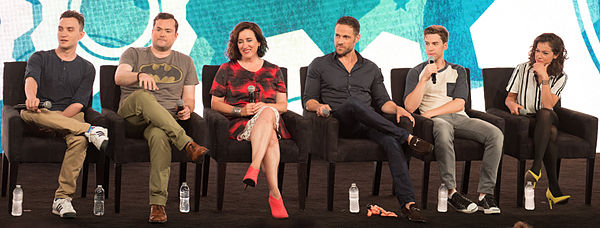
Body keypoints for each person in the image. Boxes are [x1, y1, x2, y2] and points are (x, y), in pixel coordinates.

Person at [303, 16, 433, 223]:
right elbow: (307, 100)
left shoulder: (371, 68)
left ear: (357, 38)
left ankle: (408, 204)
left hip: (368, 123)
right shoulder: (319, 65)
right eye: (337, 35)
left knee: (391, 142)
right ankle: (407, 137)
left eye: (345, 37)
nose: (339, 41)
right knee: (354, 103)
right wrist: (318, 106)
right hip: (337, 123)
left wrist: (398, 108)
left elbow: (383, 102)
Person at [114, 12, 208, 223]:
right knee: (143, 96)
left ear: (175, 36)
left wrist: (188, 110)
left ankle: (157, 205)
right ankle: (187, 144)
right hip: (132, 117)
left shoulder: (185, 61)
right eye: (158, 29)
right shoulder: (134, 53)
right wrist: (140, 75)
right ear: (152, 32)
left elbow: (190, 99)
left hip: (163, 120)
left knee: (159, 136)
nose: (162, 34)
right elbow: (119, 77)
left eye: (167, 31)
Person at [404, 25, 503, 215]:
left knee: (495, 134)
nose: (430, 48)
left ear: (445, 45)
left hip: (458, 118)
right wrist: (423, 79)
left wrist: (429, 113)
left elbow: (459, 104)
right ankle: (451, 192)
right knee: (442, 128)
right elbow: (409, 107)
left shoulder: (457, 71)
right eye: (427, 44)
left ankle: (485, 194)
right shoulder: (416, 72)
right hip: (436, 122)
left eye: (435, 43)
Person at [20, 10, 109, 219]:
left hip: (70, 116)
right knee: (28, 113)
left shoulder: (87, 68)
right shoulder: (39, 57)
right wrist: (31, 97)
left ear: (81, 35)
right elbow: (30, 80)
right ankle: (91, 130)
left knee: (79, 140)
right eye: (60, 28)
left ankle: (62, 200)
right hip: (40, 112)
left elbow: (79, 104)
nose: (63, 33)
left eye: (70, 29)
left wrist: (60, 122)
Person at [210, 21, 290, 219]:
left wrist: (266, 107)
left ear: (258, 43)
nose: (244, 45)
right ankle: (274, 194)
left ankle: (255, 168)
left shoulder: (274, 70)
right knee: (271, 137)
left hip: (270, 119)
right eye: (240, 42)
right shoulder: (227, 69)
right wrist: (241, 110)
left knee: (269, 112)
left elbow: (283, 106)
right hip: (241, 124)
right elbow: (215, 104)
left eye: (249, 40)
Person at [505, 33, 569, 209]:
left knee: (545, 114)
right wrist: (512, 105)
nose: (539, 56)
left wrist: (544, 78)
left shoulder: (561, 76)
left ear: (556, 55)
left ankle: (536, 167)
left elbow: (548, 105)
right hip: (527, 120)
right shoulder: (522, 68)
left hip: (548, 116)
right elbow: (509, 98)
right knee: (552, 134)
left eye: (545, 53)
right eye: (537, 51)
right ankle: (554, 189)